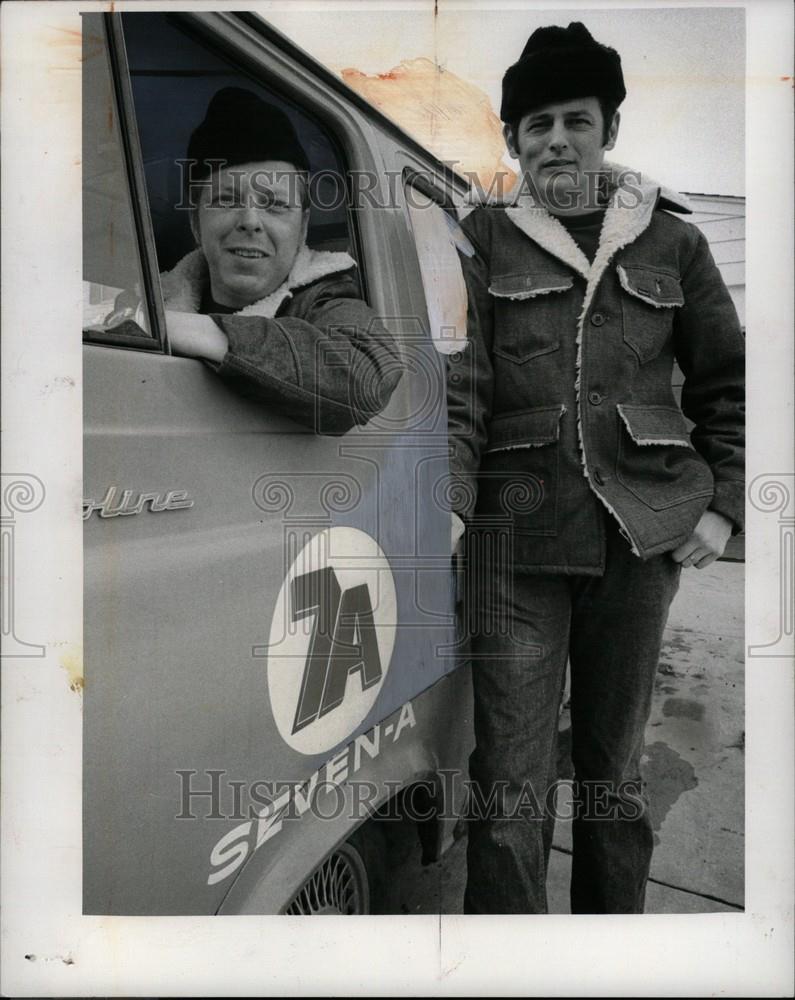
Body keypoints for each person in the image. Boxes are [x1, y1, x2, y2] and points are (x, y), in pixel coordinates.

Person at [446, 22, 745, 913]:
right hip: (516, 551)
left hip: (637, 545)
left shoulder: (673, 243)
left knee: (612, 773)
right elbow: (460, 387)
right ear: (511, 141)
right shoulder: (480, 239)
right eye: (534, 125)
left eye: (575, 119)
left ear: (608, 128)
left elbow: (730, 382)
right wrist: (454, 504)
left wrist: (722, 507)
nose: (556, 141)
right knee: (509, 783)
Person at [158, 86, 402, 435]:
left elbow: (367, 376)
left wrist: (175, 329)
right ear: (196, 222)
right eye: (226, 200)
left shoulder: (325, 299)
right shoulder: (150, 295)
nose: (250, 221)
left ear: (302, 226)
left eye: (274, 205)